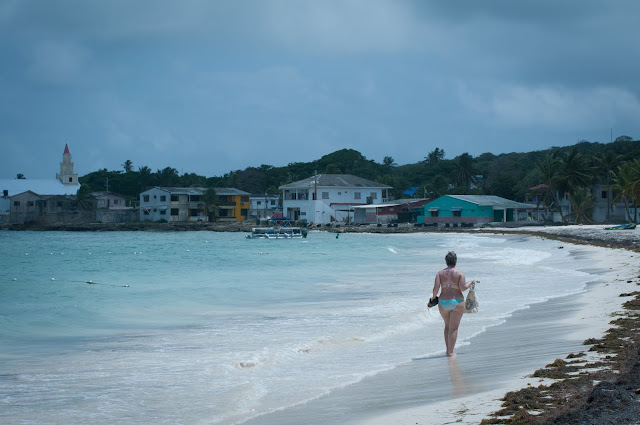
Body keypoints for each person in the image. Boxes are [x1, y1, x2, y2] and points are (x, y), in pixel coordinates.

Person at [429, 251, 476, 357]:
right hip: (457, 301)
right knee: (453, 327)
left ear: (446, 261)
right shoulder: (459, 273)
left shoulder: (440, 273)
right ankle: (450, 352)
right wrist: (471, 282)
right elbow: (463, 288)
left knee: (447, 326)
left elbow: (435, 289)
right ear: (455, 261)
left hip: (443, 302)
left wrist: (433, 299)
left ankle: (447, 350)